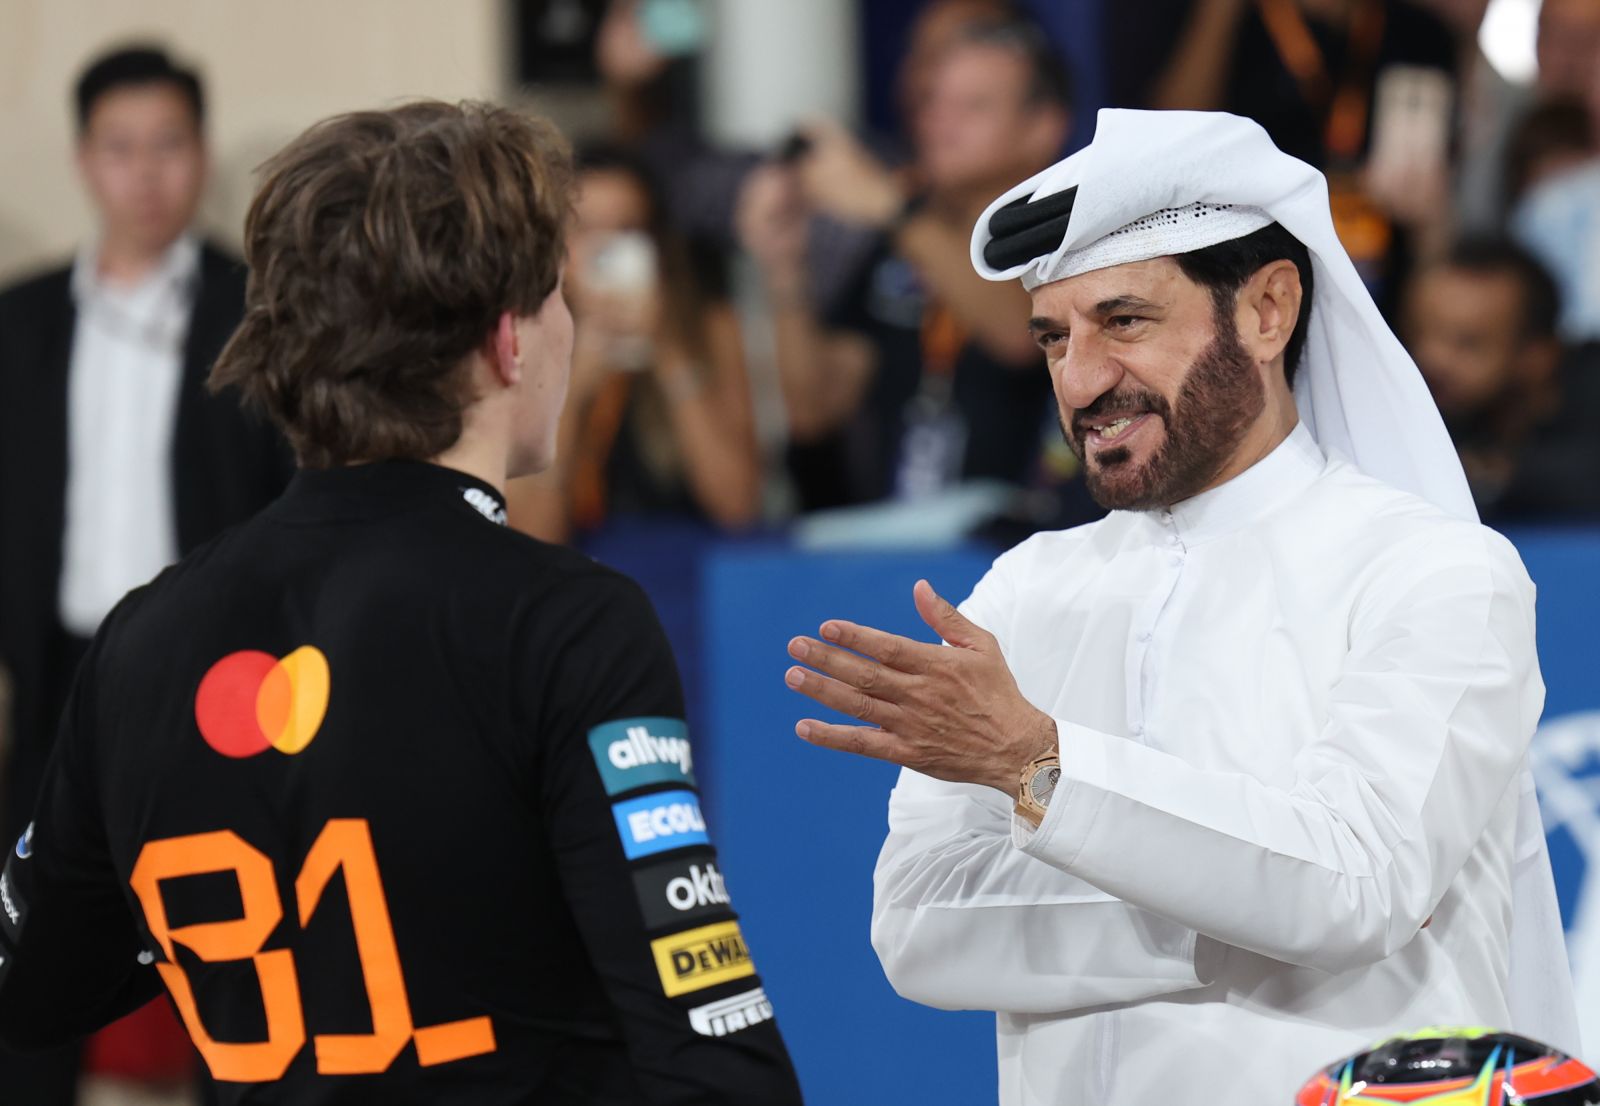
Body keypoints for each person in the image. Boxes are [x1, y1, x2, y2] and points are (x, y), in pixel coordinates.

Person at [0, 100, 803, 1105]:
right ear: (509, 339)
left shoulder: (142, 637)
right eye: (558, 294)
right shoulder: (565, 621)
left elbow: (31, 980)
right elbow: (711, 1046)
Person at [780, 109, 1577, 1103]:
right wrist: (1250, 911)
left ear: (1268, 310)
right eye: (1052, 337)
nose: (1079, 381)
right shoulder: (1023, 590)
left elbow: (1359, 884)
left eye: (1123, 322)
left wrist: (1040, 769)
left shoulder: (1434, 571)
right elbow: (919, 926)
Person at [0, 44, 290, 1104]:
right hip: (59, 684)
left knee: (237, 960)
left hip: (214, 685)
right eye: (120, 148)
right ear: (85, 159)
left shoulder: (256, 313)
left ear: (200, 154)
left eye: (167, 145)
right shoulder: (23, 321)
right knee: (31, 967)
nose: (145, 173)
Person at [737, 18, 1071, 510]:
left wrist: (889, 204)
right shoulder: (905, 241)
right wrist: (785, 268)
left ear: (1042, 128)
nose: (939, 122)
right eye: (932, 102)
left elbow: (1020, 336)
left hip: (1031, 533)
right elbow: (816, 409)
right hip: (896, 539)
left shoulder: (1075, 230)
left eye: (973, 106)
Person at [508, 147, 761, 543]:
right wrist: (573, 388)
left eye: (627, 231)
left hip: (688, 568)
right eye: (587, 230)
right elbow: (531, 535)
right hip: (578, 571)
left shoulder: (706, 326)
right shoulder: (522, 340)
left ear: (657, 244)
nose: (607, 251)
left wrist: (668, 353)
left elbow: (740, 507)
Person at [1404, 237, 1600, 524]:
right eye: (1420, 332)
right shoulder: (1429, 408)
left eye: (1467, 343)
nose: (1432, 358)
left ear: (1539, 354)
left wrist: (1495, 476)